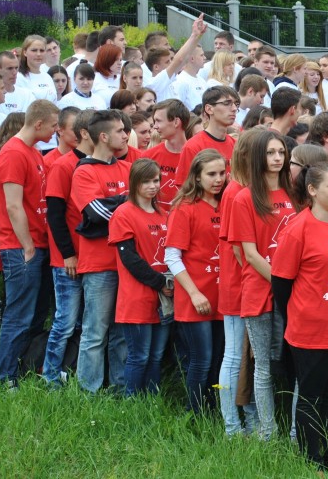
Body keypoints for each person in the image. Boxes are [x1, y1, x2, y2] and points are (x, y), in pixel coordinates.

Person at [270, 162, 328, 473]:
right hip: (311, 331)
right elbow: (281, 283)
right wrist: (301, 315)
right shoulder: (298, 228)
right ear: (312, 190)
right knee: (311, 397)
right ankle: (313, 462)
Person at [227, 131, 297, 440]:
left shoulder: (294, 194)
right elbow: (249, 254)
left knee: (298, 366)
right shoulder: (244, 198)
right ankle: (268, 433)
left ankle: (297, 432)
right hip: (261, 291)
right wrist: (282, 284)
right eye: (270, 153)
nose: (277, 158)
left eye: (281, 152)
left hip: (295, 293)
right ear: (258, 157)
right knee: (263, 367)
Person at [0, 99, 59, 386]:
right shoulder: (13, 153)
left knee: (35, 314)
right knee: (19, 314)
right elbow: (13, 205)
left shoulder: (33, 152)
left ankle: (22, 367)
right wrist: (27, 246)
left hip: (36, 243)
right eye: (53, 125)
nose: (56, 131)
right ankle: (6, 377)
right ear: (38, 123)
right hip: (20, 247)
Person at [70, 110, 131, 393]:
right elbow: (95, 213)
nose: (126, 135)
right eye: (120, 131)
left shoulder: (128, 168)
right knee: (95, 331)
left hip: (127, 263)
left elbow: (144, 207)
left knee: (122, 331)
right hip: (99, 264)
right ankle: (88, 392)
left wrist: (115, 203)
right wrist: (125, 203)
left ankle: (119, 387)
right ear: (104, 137)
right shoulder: (84, 171)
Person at [166, 150, 227, 412]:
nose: (218, 179)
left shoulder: (228, 203)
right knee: (201, 360)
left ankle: (215, 411)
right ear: (197, 176)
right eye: (211, 174)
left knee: (220, 360)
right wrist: (194, 293)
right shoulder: (184, 208)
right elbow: (172, 256)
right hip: (196, 296)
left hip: (224, 296)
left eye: (222, 173)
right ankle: (195, 414)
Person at [109, 158, 173, 395]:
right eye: (146, 181)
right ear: (135, 182)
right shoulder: (123, 213)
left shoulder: (163, 213)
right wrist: (161, 283)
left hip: (163, 299)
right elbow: (130, 260)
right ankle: (132, 403)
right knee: (139, 355)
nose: (153, 186)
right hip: (137, 297)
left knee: (156, 356)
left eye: (156, 180)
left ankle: (152, 402)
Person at [42, 109, 95, 385]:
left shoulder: (99, 163)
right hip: (69, 259)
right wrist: (68, 255)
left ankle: (73, 372)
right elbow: (54, 216)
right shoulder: (63, 166)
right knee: (65, 322)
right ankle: (50, 377)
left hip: (94, 259)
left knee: (86, 323)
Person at [215, 131, 260, 436]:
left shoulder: (247, 187)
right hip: (238, 284)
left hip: (248, 283)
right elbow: (238, 249)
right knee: (233, 355)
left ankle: (251, 419)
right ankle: (232, 426)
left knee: (247, 358)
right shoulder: (234, 191)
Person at [176, 86, 239, 183]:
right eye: (227, 103)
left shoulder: (236, 145)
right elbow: (185, 187)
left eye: (236, 104)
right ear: (209, 109)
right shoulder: (192, 147)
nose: (234, 108)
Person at [143, 99, 191, 211]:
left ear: (176, 122)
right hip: (154, 219)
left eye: (158, 121)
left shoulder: (196, 156)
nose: (155, 127)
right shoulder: (148, 156)